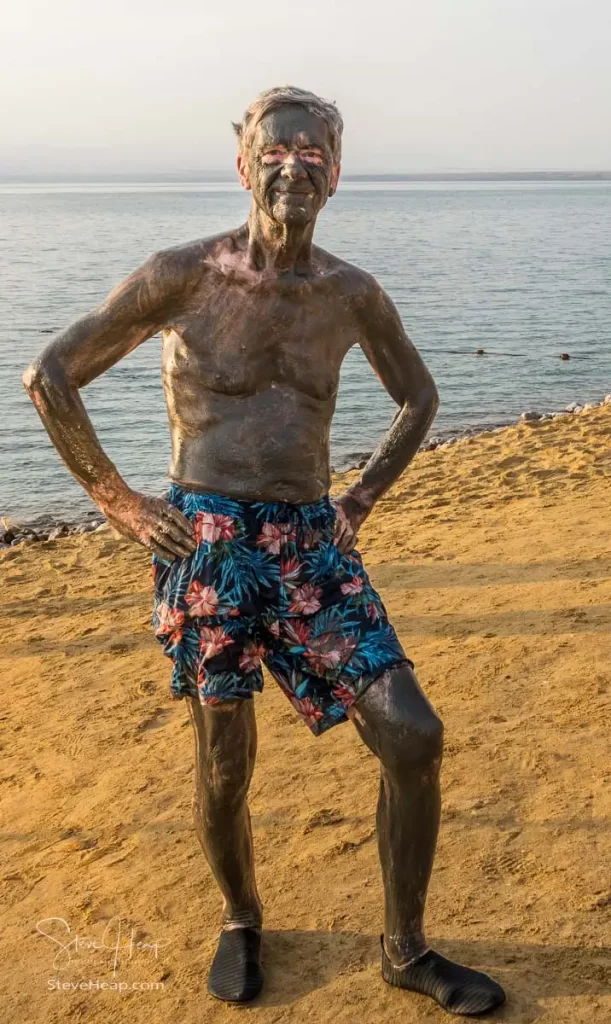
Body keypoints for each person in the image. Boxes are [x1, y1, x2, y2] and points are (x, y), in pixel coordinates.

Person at [23, 86, 505, 1016]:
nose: (295, 165)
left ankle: (404, 949)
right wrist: (119, 504)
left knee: (412, 735)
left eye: (314, 151)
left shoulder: (350, 293)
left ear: (336, 170)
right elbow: (50, 375)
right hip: (206, 544)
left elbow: (419, 399)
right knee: (223, 764)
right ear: (244, 164)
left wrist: (360, 495)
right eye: (276, 149)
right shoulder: (183, 276)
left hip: (310, 544)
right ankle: (242, 918)